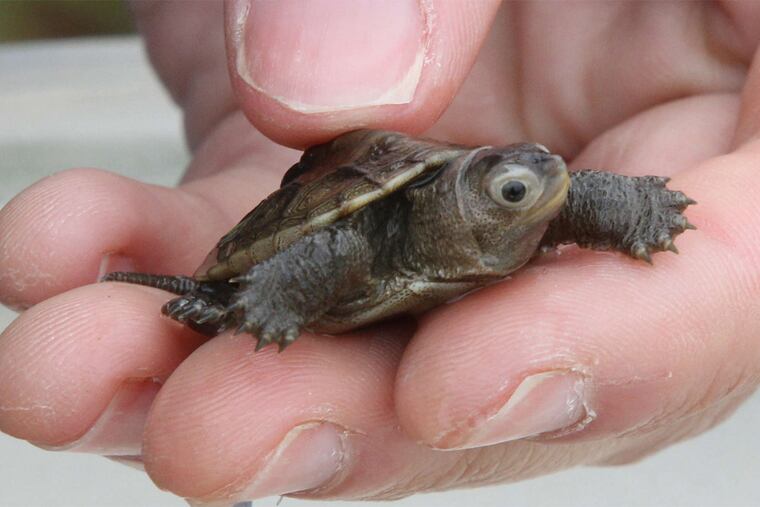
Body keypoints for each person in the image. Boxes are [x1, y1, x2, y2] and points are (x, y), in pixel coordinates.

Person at [1, 1, 759, 503]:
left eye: (521, 185)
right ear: (461, 199)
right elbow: (334, 242)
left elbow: (564, 191)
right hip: (316, 238)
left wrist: (639, 211)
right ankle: (247, 300)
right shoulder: (380, 230)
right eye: (511, 194)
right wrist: (273, 297)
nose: (543, 189)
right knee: (322, 265)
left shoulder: (519, 214)